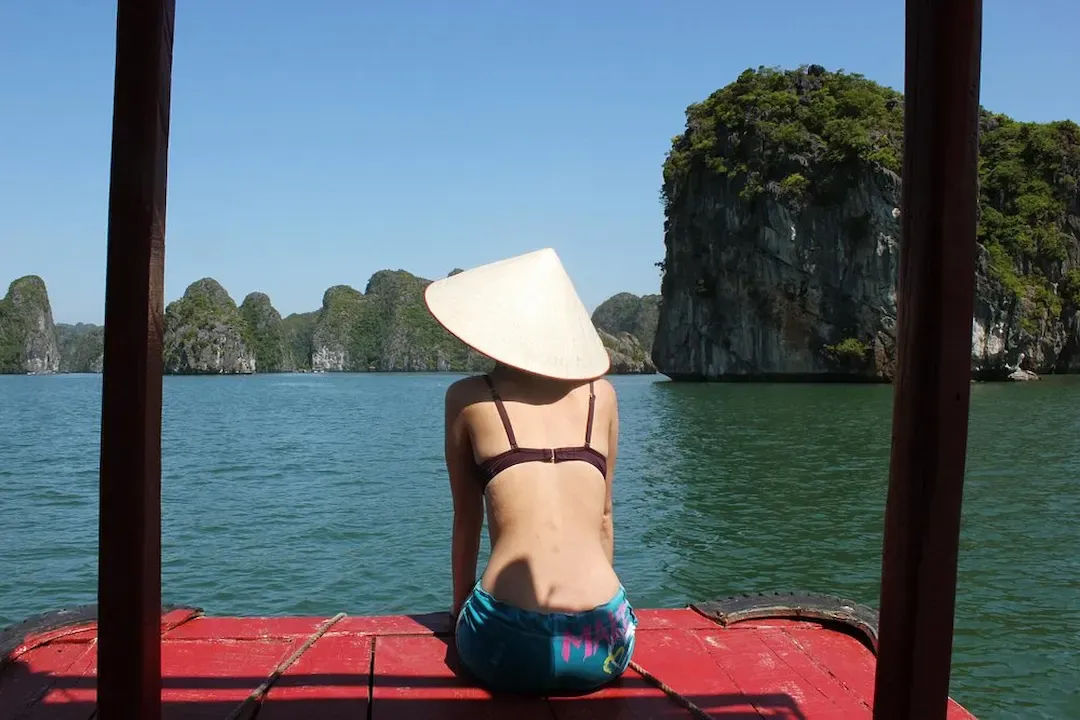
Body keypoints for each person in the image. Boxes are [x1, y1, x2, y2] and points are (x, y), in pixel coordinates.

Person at [423, 247, 637, 694]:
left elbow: (467, 521)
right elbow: (603, 518)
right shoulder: (604, 396)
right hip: (605, 640)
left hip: (506, 641)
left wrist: (460, 608)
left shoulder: (467, 398)